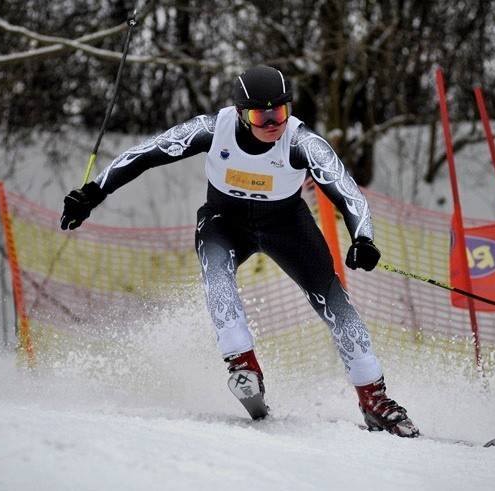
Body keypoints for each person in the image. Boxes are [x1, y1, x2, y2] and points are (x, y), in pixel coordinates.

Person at [60, 65, 419, 437]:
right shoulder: (213, 129)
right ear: (240, 114)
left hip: (287, 226)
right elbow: (147, 152)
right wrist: (93, 193)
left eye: (279, 112)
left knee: (336, 305)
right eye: (260, 115)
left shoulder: (301, 142)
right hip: (224, 221)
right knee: (217, 276)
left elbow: (347, 192)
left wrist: (363, 239)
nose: (271, 123)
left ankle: (375, 399)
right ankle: (242, 364)